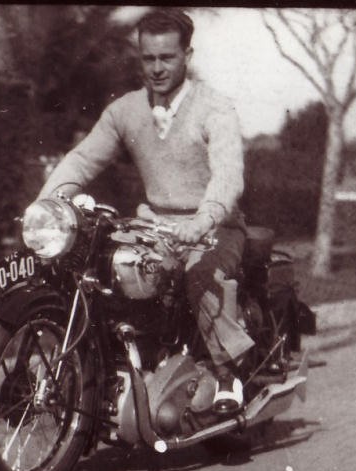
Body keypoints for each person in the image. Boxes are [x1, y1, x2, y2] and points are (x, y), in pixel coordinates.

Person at [37, 8, 253, 414]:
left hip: (213, 225)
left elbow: (228, 178)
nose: (156, 68)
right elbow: (82, 160)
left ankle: (229, 376)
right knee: (102, 270)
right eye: (148, 58)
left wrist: (202, 220)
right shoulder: (126, 110)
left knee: (200, 275)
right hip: (153, 223)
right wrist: (45, 206)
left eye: (167, 58)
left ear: (187, 55)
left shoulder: (215, 108)